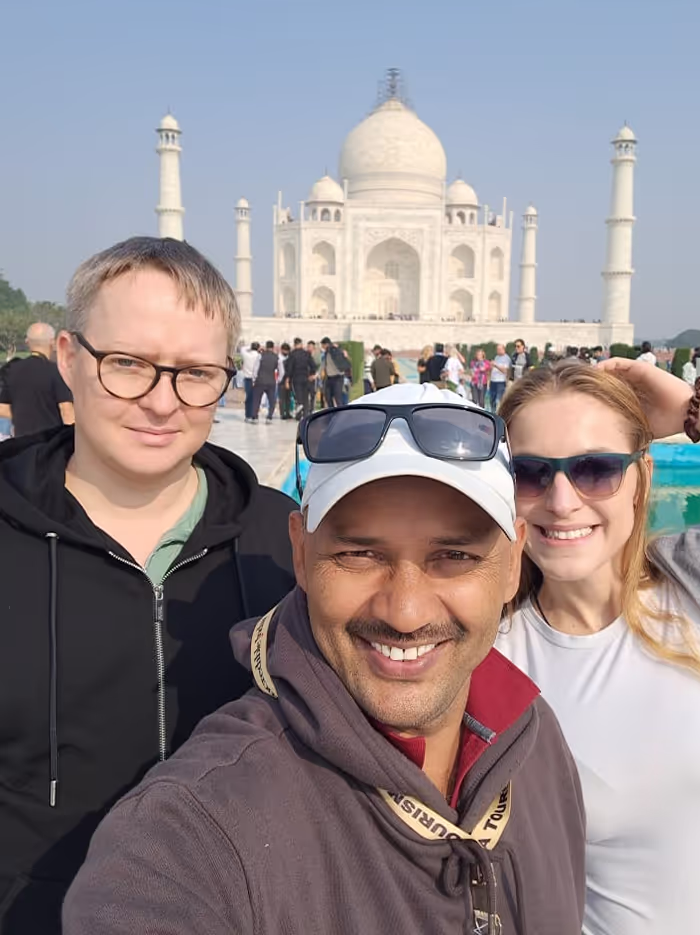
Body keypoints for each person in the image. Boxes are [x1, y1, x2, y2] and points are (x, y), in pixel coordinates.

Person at [64, 383, 587, 935]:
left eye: (453, 556)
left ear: (511, 567)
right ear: (301, 554)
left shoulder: (532, 743)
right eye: (359, 554)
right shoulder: (191, 835)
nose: (405, 612)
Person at [0, 237, 296, 934]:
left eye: (195, 373)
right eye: (127, 364)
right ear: (69, 360)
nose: (162, 402)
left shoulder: (280, 540)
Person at [496, 359, 700, 935]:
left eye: (595, 469)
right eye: (531, 473)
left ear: (642, 476)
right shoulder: (491, 658)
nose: (562, 500)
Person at [0, 322, 75, 436]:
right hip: (50, 442)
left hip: (23, 442)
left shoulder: (12, 370)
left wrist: (23, 416)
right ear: (53, 343)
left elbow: (2, 408)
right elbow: (66, 410)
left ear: (27, 342)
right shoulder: (56, 371)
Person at [285, 337, 318, 419]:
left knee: (298, 397)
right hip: (306, 378)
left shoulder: (292, 354)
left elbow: (289, 368)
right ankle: (306, 414)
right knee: (305, 397)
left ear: (294, 344)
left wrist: (287, 378)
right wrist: (312, 374)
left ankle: (299, 415)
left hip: (296, 378)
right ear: (301, 344)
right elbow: (313, 365)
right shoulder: (306, 354)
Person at [252, 340, 279, 422]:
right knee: (272, 400)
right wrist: (278, 380)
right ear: (273, 347)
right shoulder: (276, 357)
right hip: (271, 381)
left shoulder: (260, 356)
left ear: (266, 347)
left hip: (260, 380)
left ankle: (255, 417)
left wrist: (254, 379)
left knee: (257, 399)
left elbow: (255, 368)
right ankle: (269, 417)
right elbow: (280, 370)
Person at [320, 336, 348, 408]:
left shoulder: (334, 350)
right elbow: (323, 364)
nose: (322, 347)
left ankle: (341, 413)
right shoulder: (326, 352)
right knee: (328, 396)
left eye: (323, 345)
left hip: (338, 377)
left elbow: (341, 354)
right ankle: (332, 412)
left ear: (326, 344)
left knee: (337, 397)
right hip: (329, 377)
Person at [240, 341, 260, 423]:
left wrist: (250, 347)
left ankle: (247, 415)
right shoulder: (259, 356)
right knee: (256, 398)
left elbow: (242, 349)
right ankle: (254, 415)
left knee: (248, 398)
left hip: (247, 378)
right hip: (256, 379)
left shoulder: (246, 355)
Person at [488, 343, 511, 412]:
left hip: (500, 381)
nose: (497, 350)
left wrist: (495, 365)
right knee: (492, 399)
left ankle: (501, 413)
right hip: (493, 381)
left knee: (500, 400)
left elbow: (505, 371)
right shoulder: (496, 357)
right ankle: (493, 413)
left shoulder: (506, 358)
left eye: (499, 349)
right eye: (497, 349)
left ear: (503, 349)